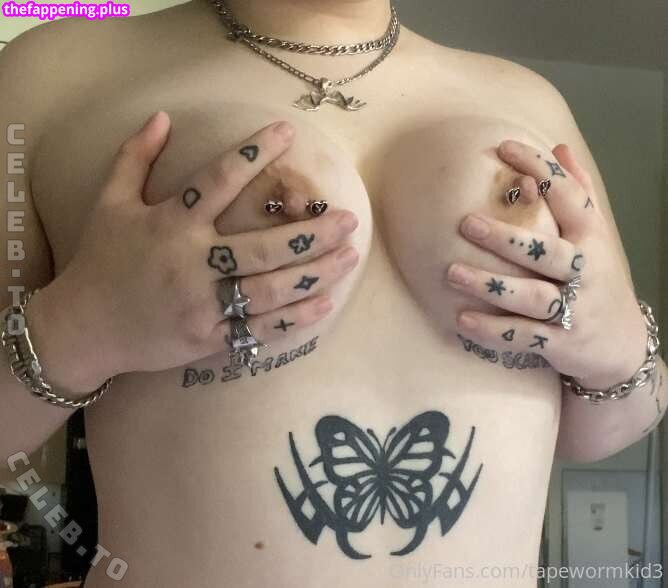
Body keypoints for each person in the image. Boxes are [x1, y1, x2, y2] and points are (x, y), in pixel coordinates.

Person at [0, 0, 665, 585]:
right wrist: (81, 329)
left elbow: (605, 428)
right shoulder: (52, 71)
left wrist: (621, 354)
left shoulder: (532, 102)